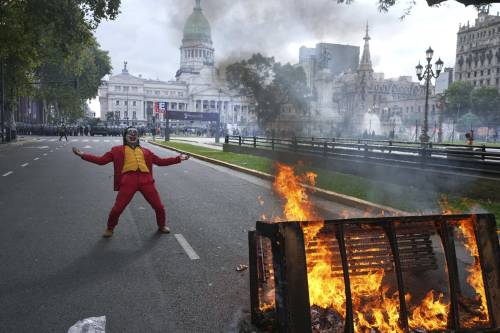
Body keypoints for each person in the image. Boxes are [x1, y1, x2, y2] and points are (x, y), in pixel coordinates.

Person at [72, 126, 190, 237]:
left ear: (138, 136)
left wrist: (178, 158)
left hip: (146, 180)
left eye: (135, 134)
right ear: (125, 136)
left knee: (159, 206)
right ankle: (110, 228)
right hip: (128, 180)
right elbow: (101, 160)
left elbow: (160, 161)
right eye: (130, 133)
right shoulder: (116, 150)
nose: (133, 135)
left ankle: (162, 225)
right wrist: (83, 155)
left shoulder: (146, 151)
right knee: (118, 208)